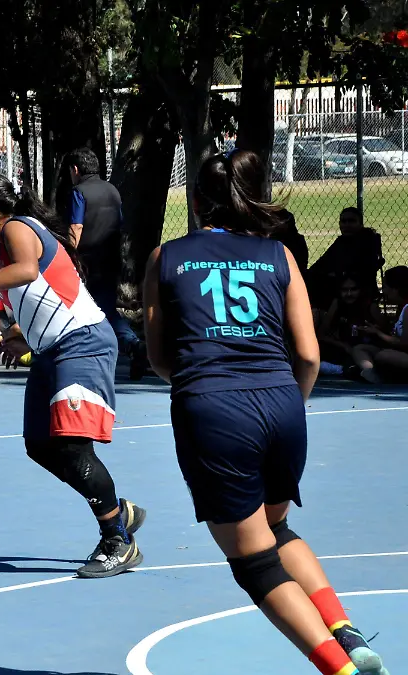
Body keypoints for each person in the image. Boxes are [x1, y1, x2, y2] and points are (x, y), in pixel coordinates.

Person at [142, 149, 388, 675]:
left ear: (196, 198)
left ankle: (340, 670)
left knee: (253, 562)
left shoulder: (168, 257)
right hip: (281, 401)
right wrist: (286, 404)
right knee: (275, 530)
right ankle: (345, 632)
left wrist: (208, 387)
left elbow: (161, 358)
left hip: (212, 405)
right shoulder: (279, 256)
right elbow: (308, 354)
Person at [0, 172, 145, 579]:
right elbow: (44, 293)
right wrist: (19, 334)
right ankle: (117, 507)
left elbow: (29, 271)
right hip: (52, 349)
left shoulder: (17, 227)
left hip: (83, 344)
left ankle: (118, 539)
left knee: (70, 447)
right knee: (39, 444)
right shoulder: (7, 246)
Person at [58, 148, 147, 380]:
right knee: (105, 307)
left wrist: (68, 256)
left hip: (87, 262)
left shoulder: (78, 192)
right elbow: (119, 222)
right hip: (111, 259)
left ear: (75, 170)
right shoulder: (112, 191)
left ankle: (126, 344)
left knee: (89, 310)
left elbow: (76, 227)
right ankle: (129, 345)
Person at [351, 265, 408, 383]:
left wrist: (379, 333)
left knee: (384, 355)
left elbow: (404, 343)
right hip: (401, 353)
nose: (384, 292)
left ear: (396, 289)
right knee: (360, 349)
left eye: (386, 287)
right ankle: (370, 373)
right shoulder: (400, 307)